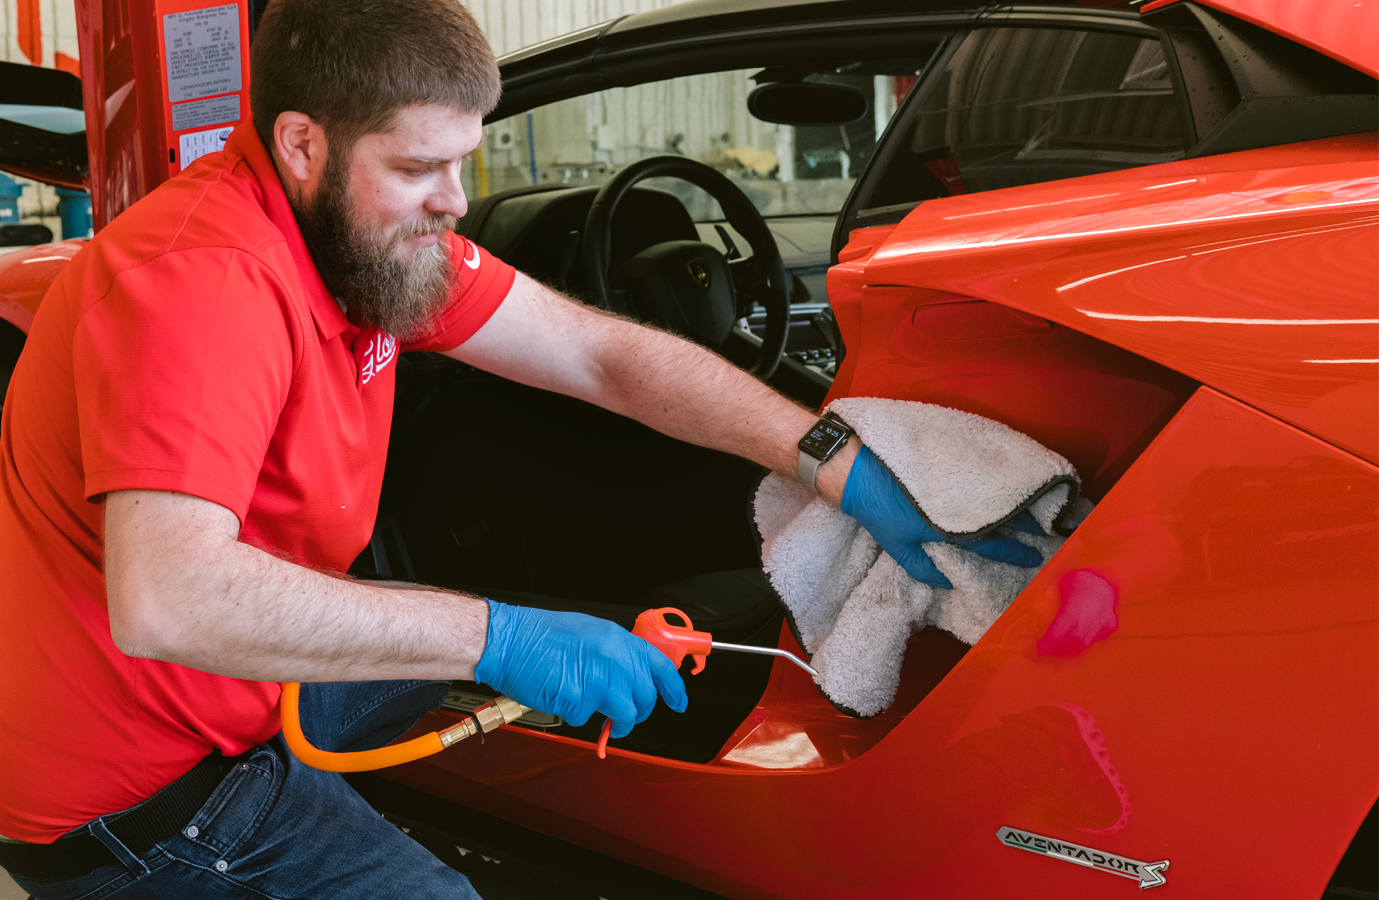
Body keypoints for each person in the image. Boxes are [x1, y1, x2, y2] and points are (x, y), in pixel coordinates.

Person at [0, 1, 1039, 897]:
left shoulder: (368, 242)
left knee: (584, 632)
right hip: (139, 789)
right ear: (303, 145)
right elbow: (169, 599)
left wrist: (830, 457)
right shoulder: (206, 285)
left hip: (237, 691)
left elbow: (599, 358)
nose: (453, 200)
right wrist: (497, 637)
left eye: (464, 160)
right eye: (419, 166)